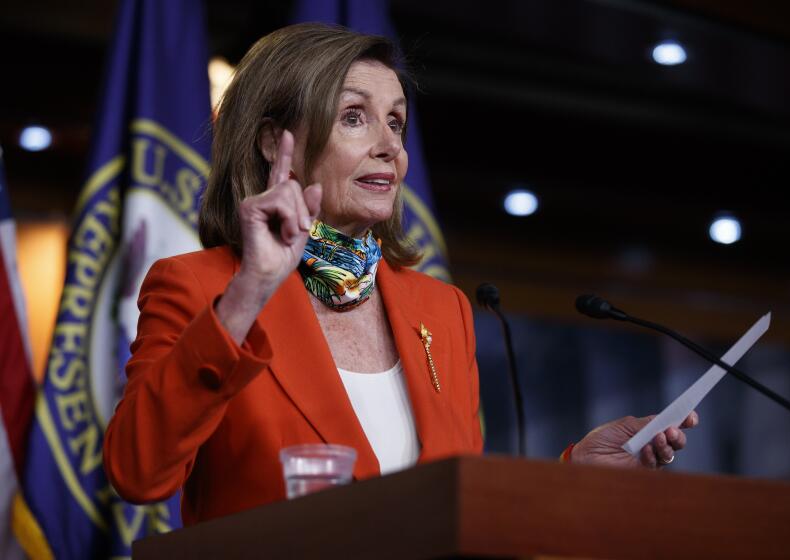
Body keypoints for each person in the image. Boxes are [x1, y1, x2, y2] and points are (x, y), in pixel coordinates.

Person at [103, 23, 698, 526]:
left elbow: (455, 511)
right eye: (355, 117)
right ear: (271, 142)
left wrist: (575, 477)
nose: (390, 146)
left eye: (396, 122)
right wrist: (249, 292)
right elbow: (138, 471)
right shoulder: (199, 287)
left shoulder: (442, 309)